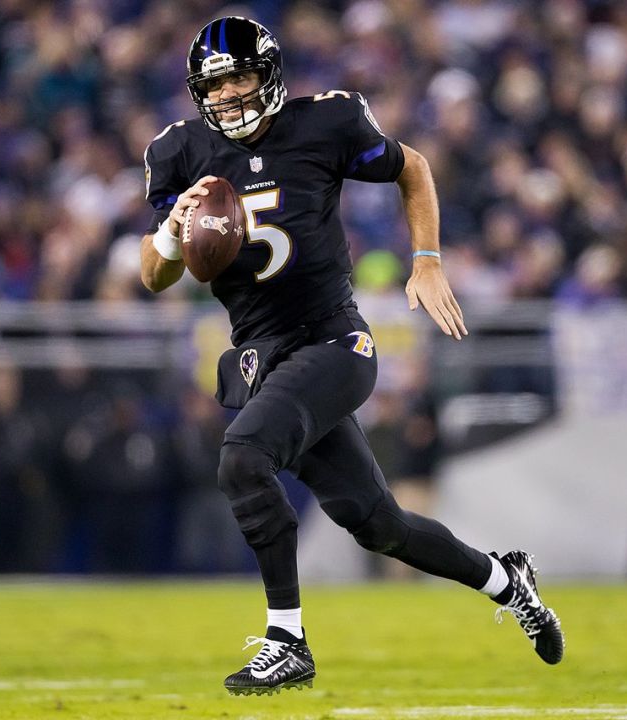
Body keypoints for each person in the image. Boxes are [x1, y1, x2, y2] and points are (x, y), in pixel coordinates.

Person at [139, 16, 564, 696]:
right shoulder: (180, 152)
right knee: (380, 525)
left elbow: (413, 168)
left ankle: (286, 639)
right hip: (262, 357)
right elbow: (152, 277)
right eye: (214, 87)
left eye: (240, 78)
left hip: (332, 339)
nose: (228, 97)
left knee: (244, 458)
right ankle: (505, 580)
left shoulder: (326, 123)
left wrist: (426, 261)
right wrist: (169, 233)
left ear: (270, 76)